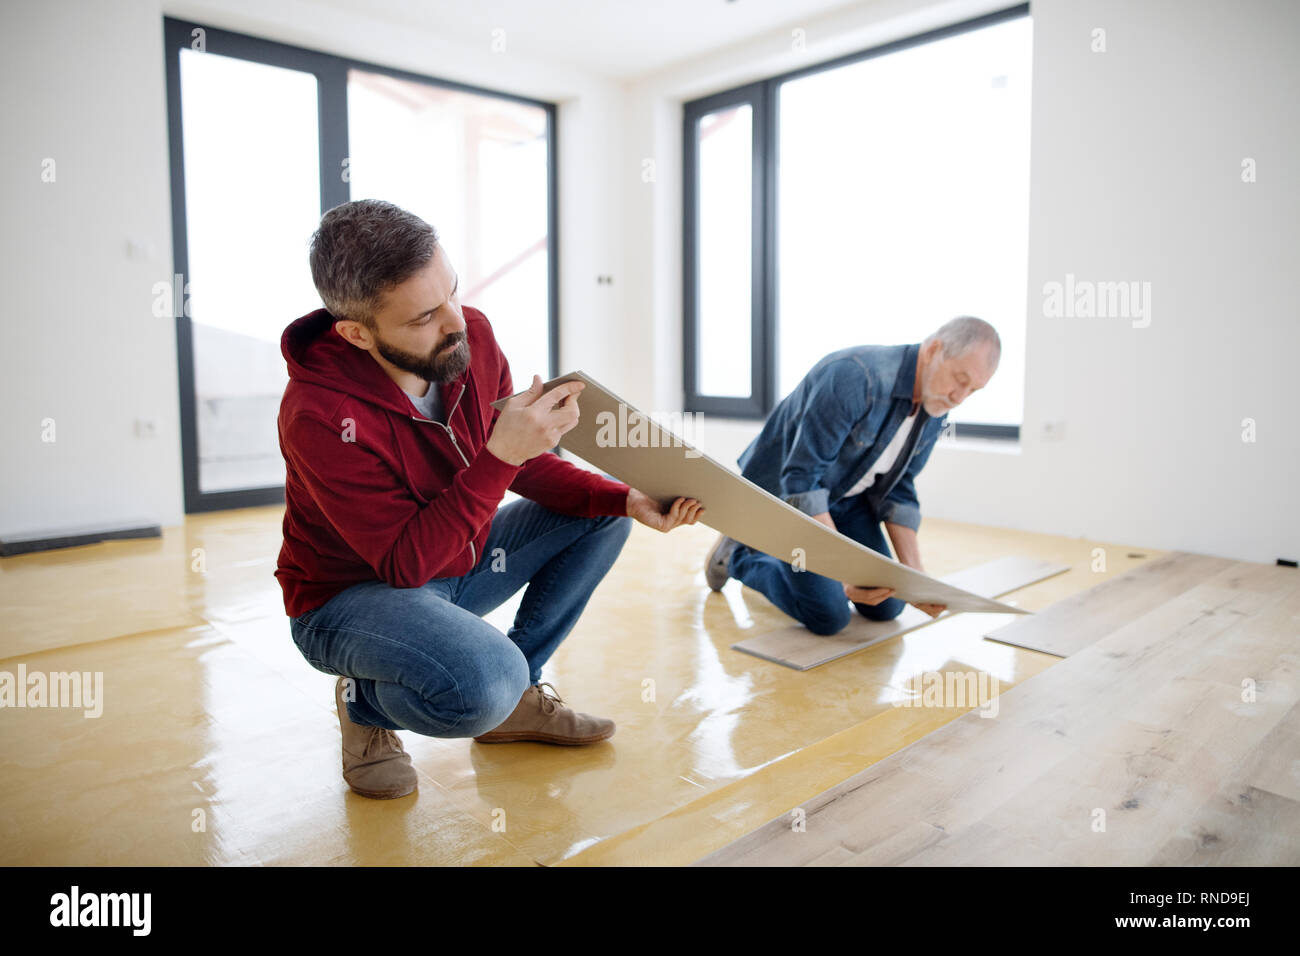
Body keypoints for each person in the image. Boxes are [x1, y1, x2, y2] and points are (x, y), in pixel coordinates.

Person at [277, 199, 702, 799]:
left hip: (455, 563)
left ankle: (517, 702)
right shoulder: (318, 415)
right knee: (481, 683)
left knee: (601, 517)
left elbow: (528, 473)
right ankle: (364, 701)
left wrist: (628, 498)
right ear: (355, 333)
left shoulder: (468, 336)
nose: (456, 320)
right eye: (425, 315)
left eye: (452, 291)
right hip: (350, 600)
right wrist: (501, 455)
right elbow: (406, 565)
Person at [704, 317, 1000, 636]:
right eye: (960, 379)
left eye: (973, 390)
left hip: (846, 499)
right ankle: (741, 555)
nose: (959, 397)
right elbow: (802, 483)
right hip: (785, 499)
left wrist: (917, 578)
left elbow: (898, 488)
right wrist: (844, 575)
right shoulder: (854, 377)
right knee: (829, 615)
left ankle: (809, 565)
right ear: (934, 350)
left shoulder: (936, 406)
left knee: (888, 604)